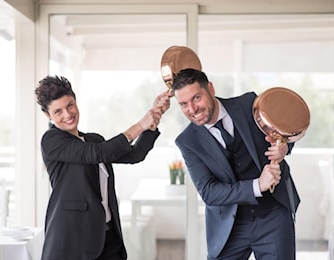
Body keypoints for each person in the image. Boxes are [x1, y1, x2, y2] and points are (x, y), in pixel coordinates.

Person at [34, 75, 170, 260]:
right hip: (73, 241)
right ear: (47, 115)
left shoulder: (93, 140)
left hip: (108, 237)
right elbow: (97, 153)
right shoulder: (51, 141)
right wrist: (140, 124)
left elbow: (134, 155)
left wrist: (154, 117)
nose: (67, 114)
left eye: (70, 105)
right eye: (58, 111)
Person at [171, 68, 300, 260]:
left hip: (273, 215)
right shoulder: (187, 141)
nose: (192, 109)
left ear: (211, 89)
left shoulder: (249, 104)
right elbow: (209, 192)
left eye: (196, 98)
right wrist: (258, 185)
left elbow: (283, 126)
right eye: (183, 104)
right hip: (229, 227)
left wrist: (284, 147)